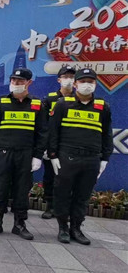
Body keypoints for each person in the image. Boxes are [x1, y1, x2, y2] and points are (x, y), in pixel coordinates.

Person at [49, 68, 112, 245]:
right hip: (67, 156)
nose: (86, 85)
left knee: (82, 195)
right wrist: (53, 155)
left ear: (96, 84)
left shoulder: (102, 107)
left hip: (91, 158)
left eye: (90, 82)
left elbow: (106, 134)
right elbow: (53, 131)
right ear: (75, 84)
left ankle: (76, 228)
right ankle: (63, 228)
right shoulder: (62, 104)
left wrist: (105, 159)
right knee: (62, 193)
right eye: (83, 81)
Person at [0, 67, 47, 240]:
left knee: (22, 190)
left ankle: (19, 224)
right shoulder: (2, 103)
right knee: (1, 188)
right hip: (4, 153)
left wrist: (37, 156)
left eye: (20, 81)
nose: (16, 83)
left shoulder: (37, 104)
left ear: (29, 83)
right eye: (13, 80)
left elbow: (42, 132)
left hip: (26, 154)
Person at [40, 64, 76, 219]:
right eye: (65, 77)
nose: (68, 80)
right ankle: (50, 206)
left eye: (71, 77)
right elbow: (43, 124)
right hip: (52, 145)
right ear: (59, 80)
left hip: (69, 145)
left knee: (68, 178)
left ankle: (64, 208)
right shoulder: (50, 99)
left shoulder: (79, 100)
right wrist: (45, 146)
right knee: (50, 177)